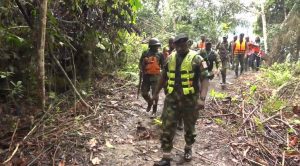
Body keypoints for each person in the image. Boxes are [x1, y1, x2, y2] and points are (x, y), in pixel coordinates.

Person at [152, 33, 209, 166]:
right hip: (172, 99)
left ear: (187, 43)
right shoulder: (170, 58)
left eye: (182, 44)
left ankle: (188, 148)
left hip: (190, 100)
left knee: (189, 127)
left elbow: (205, 78)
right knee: (167, 126)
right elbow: (163, 76)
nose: (180, 47)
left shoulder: (197, 59)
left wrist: (202, 98)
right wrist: (156, 93)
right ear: (175, 45)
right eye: (177, 45)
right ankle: (166, 157)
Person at [139, 38, 164, 115]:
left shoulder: (160, 54)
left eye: (157, 46)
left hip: (156, 77)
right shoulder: (145, 53)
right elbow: (140, 63)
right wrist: (142, 67)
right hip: (146, 76)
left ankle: (154, 110)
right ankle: (149, 102)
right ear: (150, 46)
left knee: (155, 94)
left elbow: (163, 66)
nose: (156, 47)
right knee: (144, 93)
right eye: (154, 46)